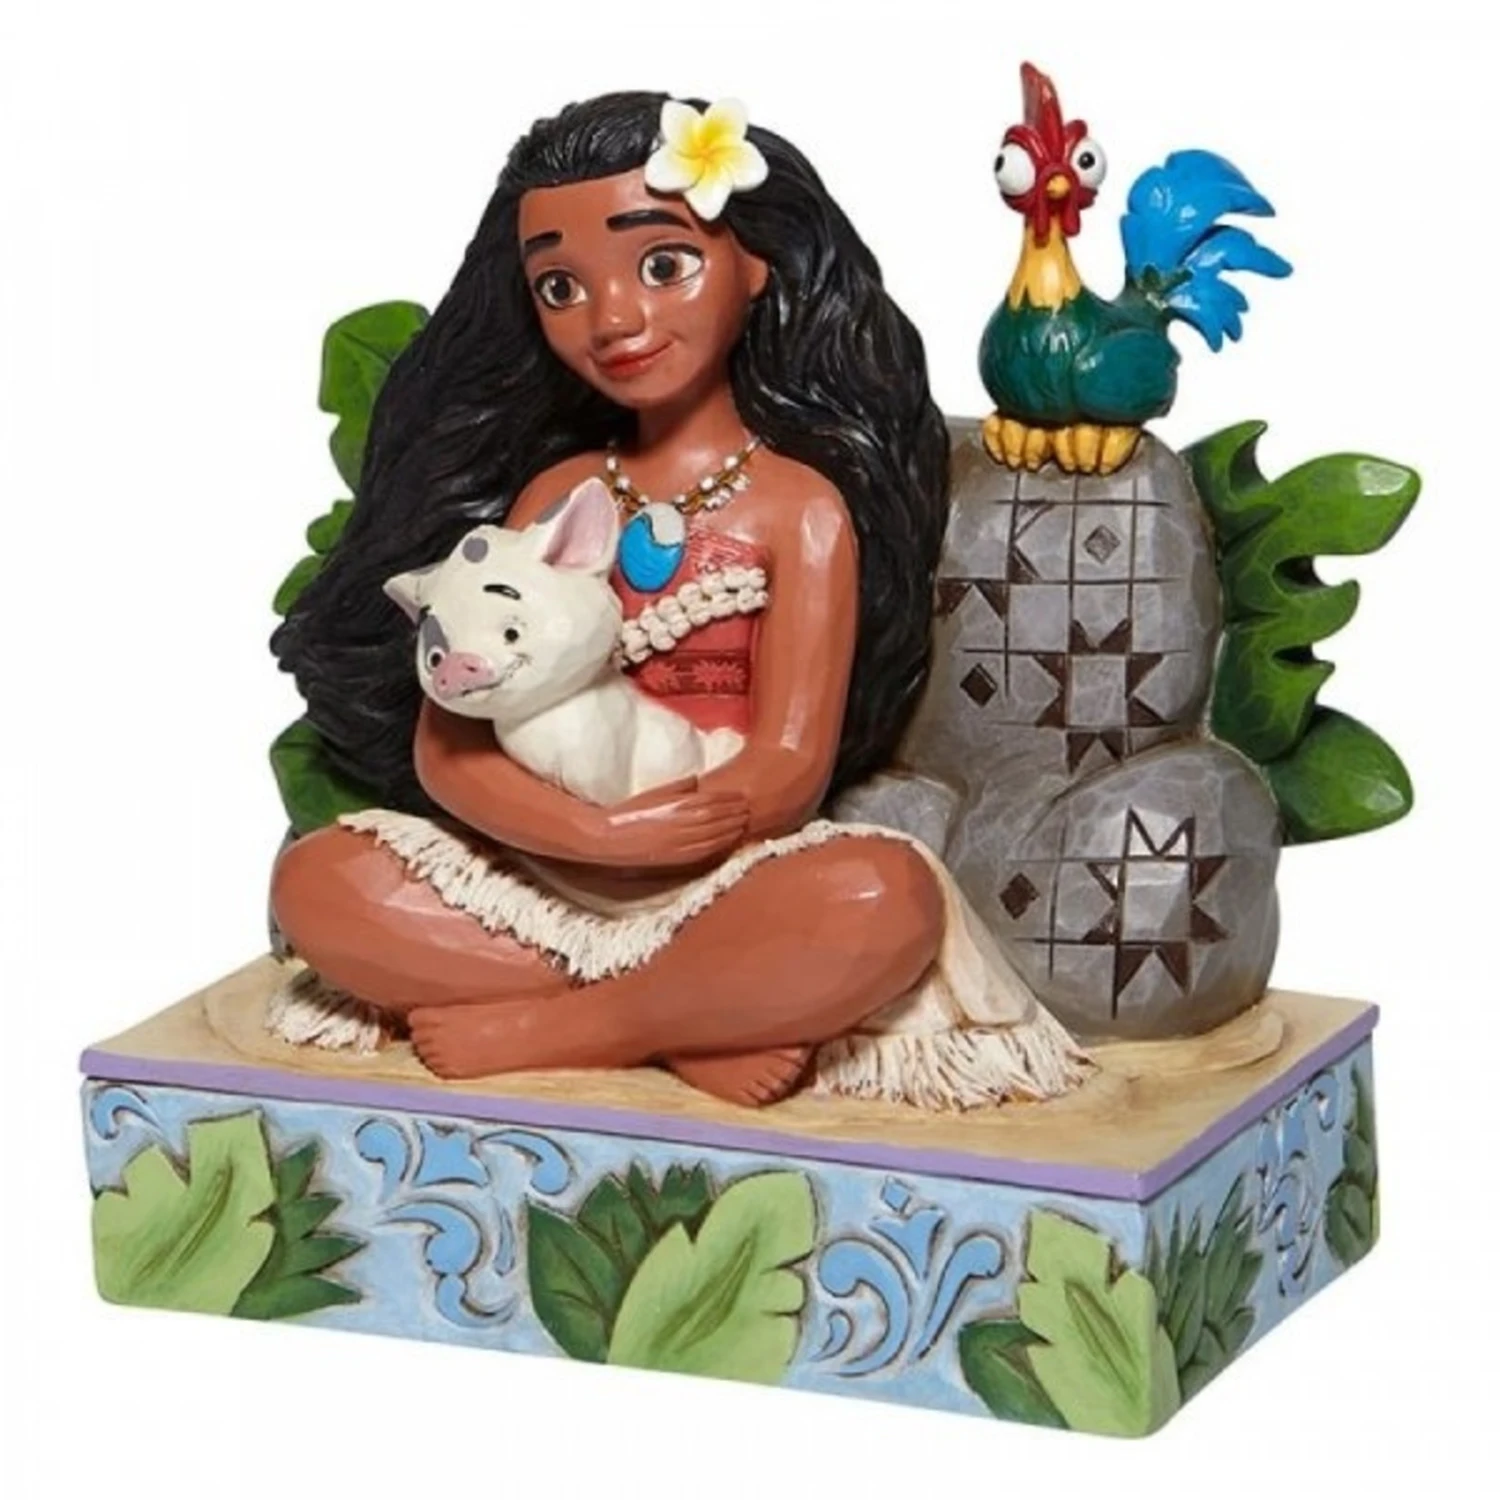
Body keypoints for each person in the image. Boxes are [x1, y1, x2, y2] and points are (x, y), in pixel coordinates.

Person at [270, 92, 1084, 1109]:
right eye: (561, 286)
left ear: (758, 265)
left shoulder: (801, 508)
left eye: (663, 266)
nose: (613, 319)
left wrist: (672, 834)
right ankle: (697, 1014)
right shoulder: (555, 493)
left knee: (882, 900)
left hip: (724, 874)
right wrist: (592, 838)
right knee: (320, 884)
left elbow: (789, 762)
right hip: (535, 870)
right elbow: (453, 750)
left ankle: (574, 1023)